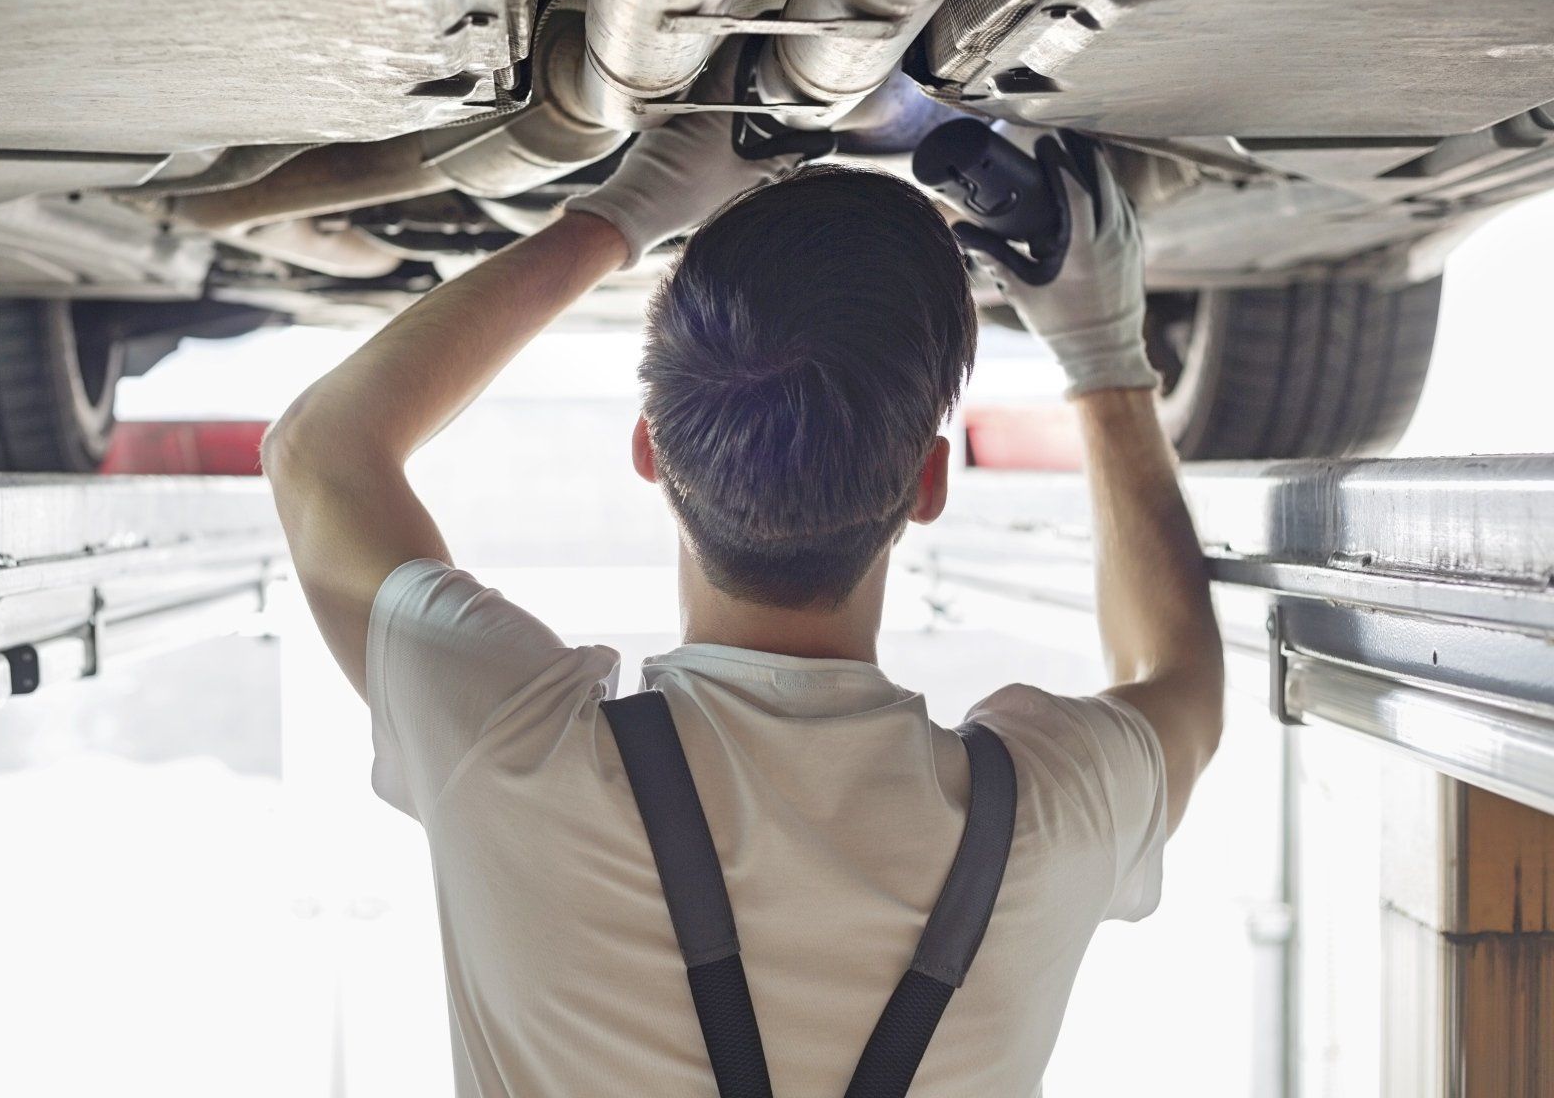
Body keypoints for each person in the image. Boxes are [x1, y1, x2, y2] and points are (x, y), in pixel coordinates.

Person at [263, 72, 1224, 1096]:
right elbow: (1181, 685)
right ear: (930, 484)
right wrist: (1108, 360)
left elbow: (321, 452)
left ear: (649, 450)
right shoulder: (514, 752)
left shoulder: (516, 749)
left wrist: (620, 216)